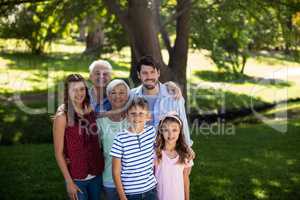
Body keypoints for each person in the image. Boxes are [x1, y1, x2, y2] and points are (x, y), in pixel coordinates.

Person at [53, 74, 104, 200]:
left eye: (82, 89)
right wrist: (69, 181)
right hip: (76, 177)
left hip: (96, 173)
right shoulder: (62, 116)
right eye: (74, 90)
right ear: (67, 92)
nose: (79, 93)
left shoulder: (89, 109)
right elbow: (58, 153)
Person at [132, 56, 193, 146]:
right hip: (140, 152)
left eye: (152, 72)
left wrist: (187, 148)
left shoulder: (174, 96)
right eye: (145, 73)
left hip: (166, 151)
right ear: (138, 75)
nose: (149, 77)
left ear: (158, 73)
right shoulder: (131, 96)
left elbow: (183, 124)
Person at [88, 59, 182, 114]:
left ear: (111, 76)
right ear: (90, 76)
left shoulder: (122, 97)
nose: (101, 76)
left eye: (105, 74)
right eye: (97, 73)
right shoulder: (83, 96)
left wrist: (169, 85)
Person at [110, 97, 157, 200]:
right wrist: (122, 197)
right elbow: (115, 172)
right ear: (127, 115)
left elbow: (169, 144)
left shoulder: (151, 132)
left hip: (150, 190)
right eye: (133, 113)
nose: (137, 117)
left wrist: (187, 149)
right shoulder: (120, 138)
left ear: (148, 116)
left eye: (141, 113)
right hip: (130, 194)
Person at [96, 79, 130, 199]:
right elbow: (94, 149)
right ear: (108, 96)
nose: (117, 96)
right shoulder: (100, 121)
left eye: (122, 92)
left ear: (127, 96)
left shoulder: (134, 119)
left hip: (131, 181)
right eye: (113, 92)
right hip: (109, 178)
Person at [154, 113, 194, 200]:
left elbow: (186, 180)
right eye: (166, 130)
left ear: (180, 131)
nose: (170, 134)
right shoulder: (156, 153)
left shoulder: (185, 154)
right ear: (161, 131)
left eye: (174, 130)